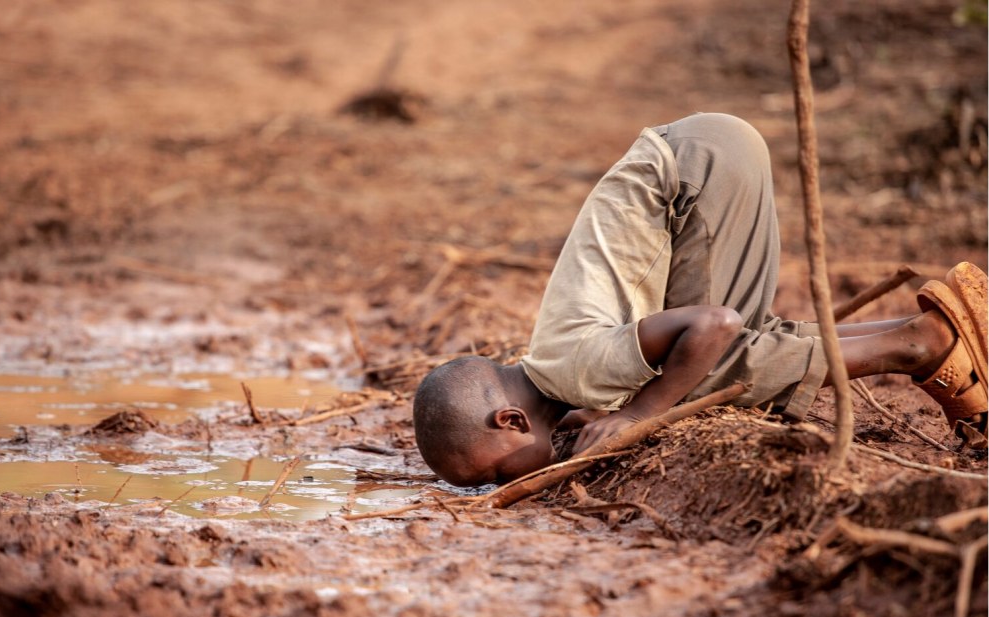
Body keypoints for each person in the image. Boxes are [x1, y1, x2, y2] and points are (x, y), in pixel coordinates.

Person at [412, 113, 988, 487]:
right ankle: (939, 328)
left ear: (510, 420)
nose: (500, 486)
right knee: (726, 353)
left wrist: (639, 414)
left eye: (490, 475)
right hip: (703, 153)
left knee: (711, 369)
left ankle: (924, 345)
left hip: (695, 176)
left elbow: (714, 324)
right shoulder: (559, 367)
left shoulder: (576, 370)